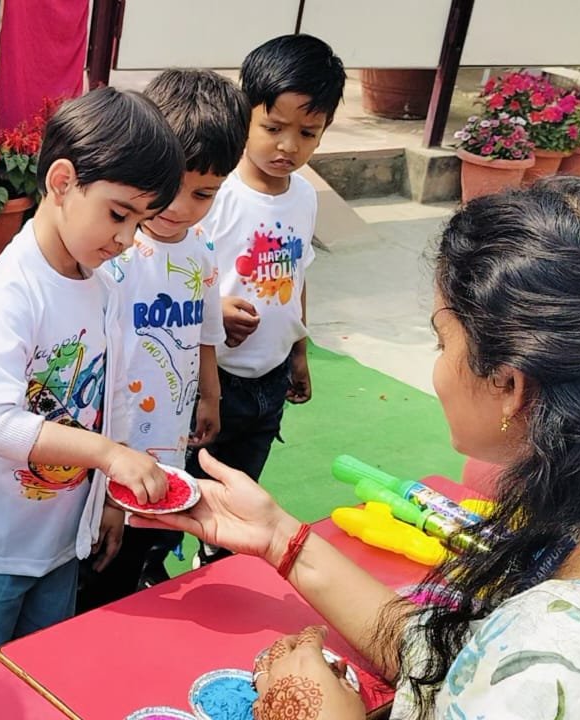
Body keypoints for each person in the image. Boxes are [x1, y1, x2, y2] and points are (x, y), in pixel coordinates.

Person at [137, 177, 580, 719]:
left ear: (508, 384)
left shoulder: (555, 664)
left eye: (442, 341)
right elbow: (457, 663)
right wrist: (280, 538)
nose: (438, 365)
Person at [0, 86, 183, 672]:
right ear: (63, 181)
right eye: (118, 214)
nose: (126, 239)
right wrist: (109, 456)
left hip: (63, 536)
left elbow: (113, 395)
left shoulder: (104, 283)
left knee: (41, 673)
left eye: (140, 222)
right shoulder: (9, 291)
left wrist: (111, 498)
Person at [76, 68, 250, 611]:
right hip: (106, 444)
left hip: (168, 439)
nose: (180, 206)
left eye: (204, 193)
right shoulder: (115, 251)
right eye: (171, 186)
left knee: (139, 549)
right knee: (93, 568)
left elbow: (204, 330)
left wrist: (210, 396)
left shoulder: (201, 250)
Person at [190, 34, 346, 565]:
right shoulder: (218, 193)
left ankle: (217, 561)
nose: (288, 147)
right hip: (211, 378)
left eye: (307, 133)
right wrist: (213, 313)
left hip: (270, 379)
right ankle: (150, 564)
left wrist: (299, 353)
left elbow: (297, 276)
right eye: (273, 128)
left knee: (241, 492)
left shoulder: (304, 196)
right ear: (246, 116)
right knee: (186, 486)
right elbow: (182, 276)